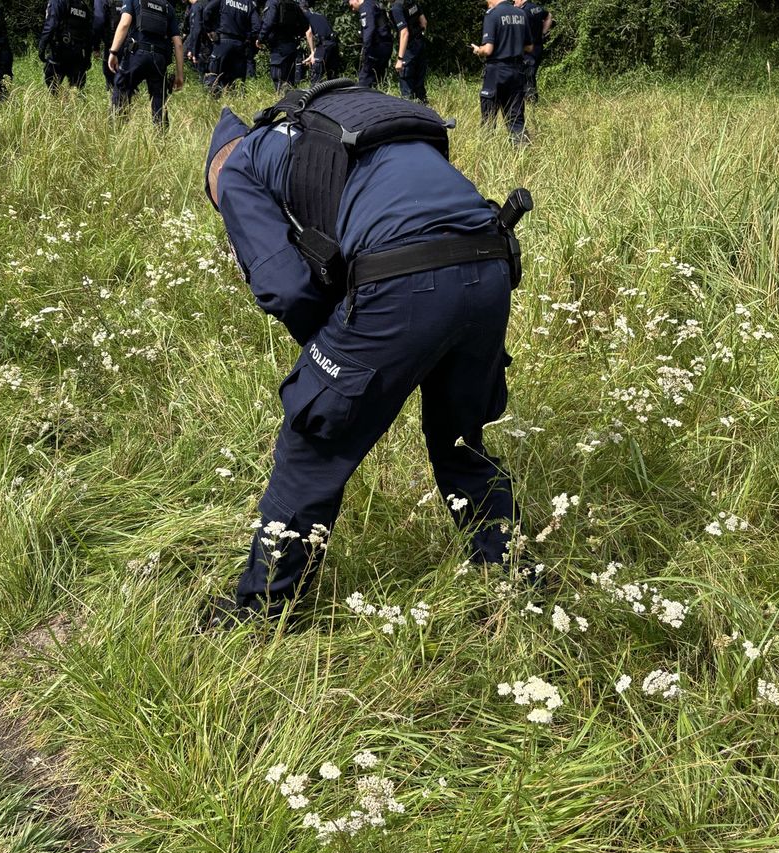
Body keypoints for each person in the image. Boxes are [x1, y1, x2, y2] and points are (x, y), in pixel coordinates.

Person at [202, 89, 527, 623]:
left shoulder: (235, 168)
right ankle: (512, 582)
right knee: (459, 439)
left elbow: (287, 287)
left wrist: (335, 361)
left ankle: (262, 612)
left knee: (313, 437)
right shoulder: (333, 130)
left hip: (404, 275)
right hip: (490, 261)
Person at [106, 0, 183, 122]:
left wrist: (113, 52)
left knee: (122, 89)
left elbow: (125, 23)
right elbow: (178, 43)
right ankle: (160, 135)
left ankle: (117, 127)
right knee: (159, 98)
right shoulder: (168, 7)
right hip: (159, 59)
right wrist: (180, 75)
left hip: (137, 54)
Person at [472, 0, 531, 143]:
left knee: (488, 120)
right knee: (516, 119)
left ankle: (485, 154)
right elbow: (529, 47)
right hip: (518, 72)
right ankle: (522, 156)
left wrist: (478, 50)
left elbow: (488, 49)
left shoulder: (493, 15)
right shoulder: (521, 13)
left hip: (496, 72)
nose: (487, 3)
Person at [190, 0, 254, 93]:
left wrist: (209, 30)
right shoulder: (248, 3)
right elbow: (256, 25)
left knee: (214, 76)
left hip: (222, 42)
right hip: (240, 45)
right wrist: (248, 38)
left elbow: (207, 10)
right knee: (237, 81)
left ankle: (213, 103)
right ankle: (235, 103)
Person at [40, 0, 94, 90]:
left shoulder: (57, 1)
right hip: (77, 53)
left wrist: (42, 47)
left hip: (59, 51)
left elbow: (51, 25)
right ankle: (73, 101)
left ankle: (56, 102)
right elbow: (88, 34)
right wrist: (87, 57)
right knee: (76, 87)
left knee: (52, 83)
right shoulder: (82, 5)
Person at [258, 0, 307, 91]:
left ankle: (280, 100)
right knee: (290, 80)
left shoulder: (272, 2)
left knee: (278, 79)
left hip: (278, 47)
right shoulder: (294, 4)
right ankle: (290, 101)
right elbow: (305, 25)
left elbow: (269, 22)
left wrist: (261, 38)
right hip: (292, 45)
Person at [348, 0, 390, 89]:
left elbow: (369, 31)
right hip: (385, 45)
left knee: (364, 81)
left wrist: (366, 52)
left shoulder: (365, 7)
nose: (352, 9)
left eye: (351, 5)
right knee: (379, 80)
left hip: (376, 47)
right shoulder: (373, 3)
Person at [390, 0, 426, 102]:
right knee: (419, 85)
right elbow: (424, 22)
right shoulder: (411, 2)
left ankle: (409, 114)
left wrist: (400, 59)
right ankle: (425, 110)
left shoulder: (397, 8)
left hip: (409, 48)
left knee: (407, 88)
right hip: (420, 44)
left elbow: (404, 33)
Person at [513, 0, 549, 103]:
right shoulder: (536, 8)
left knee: (527, 75)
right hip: (538, 48)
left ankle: (531, 101)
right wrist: (543, 33)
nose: (514, 4)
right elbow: (549, 16)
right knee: (530, 73)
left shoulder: (522, 13)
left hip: (527, 50)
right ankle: (528, 99)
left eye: (515, 1)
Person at [300, 0, 338, 84]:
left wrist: (313, 52)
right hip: (333, 43)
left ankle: (315, 96)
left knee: (316, 76)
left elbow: (309, 33)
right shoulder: (318, 15)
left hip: (324, 45)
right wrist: (313, 54)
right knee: (332, 76)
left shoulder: (305, 16)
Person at [95, 0, 125, 93]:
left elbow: (99, 20)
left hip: (111, 46)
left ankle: (114, 105)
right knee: (127, 81)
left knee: (111, 82)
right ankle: (128, 105)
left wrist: (96, 46)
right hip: (130, 46)